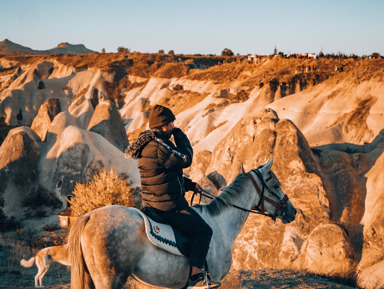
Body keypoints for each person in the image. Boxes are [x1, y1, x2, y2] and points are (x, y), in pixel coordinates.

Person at [125, 104, 220, 289]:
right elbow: (185, 159)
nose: (173, 125)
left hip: (152, 201)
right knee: (204, 232)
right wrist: (180, 136)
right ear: (163, 125)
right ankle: (196, 278)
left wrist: (190, 185)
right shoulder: (159, 145)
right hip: (168, 205)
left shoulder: (148, 144)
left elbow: (162, 175)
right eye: (171, 123)